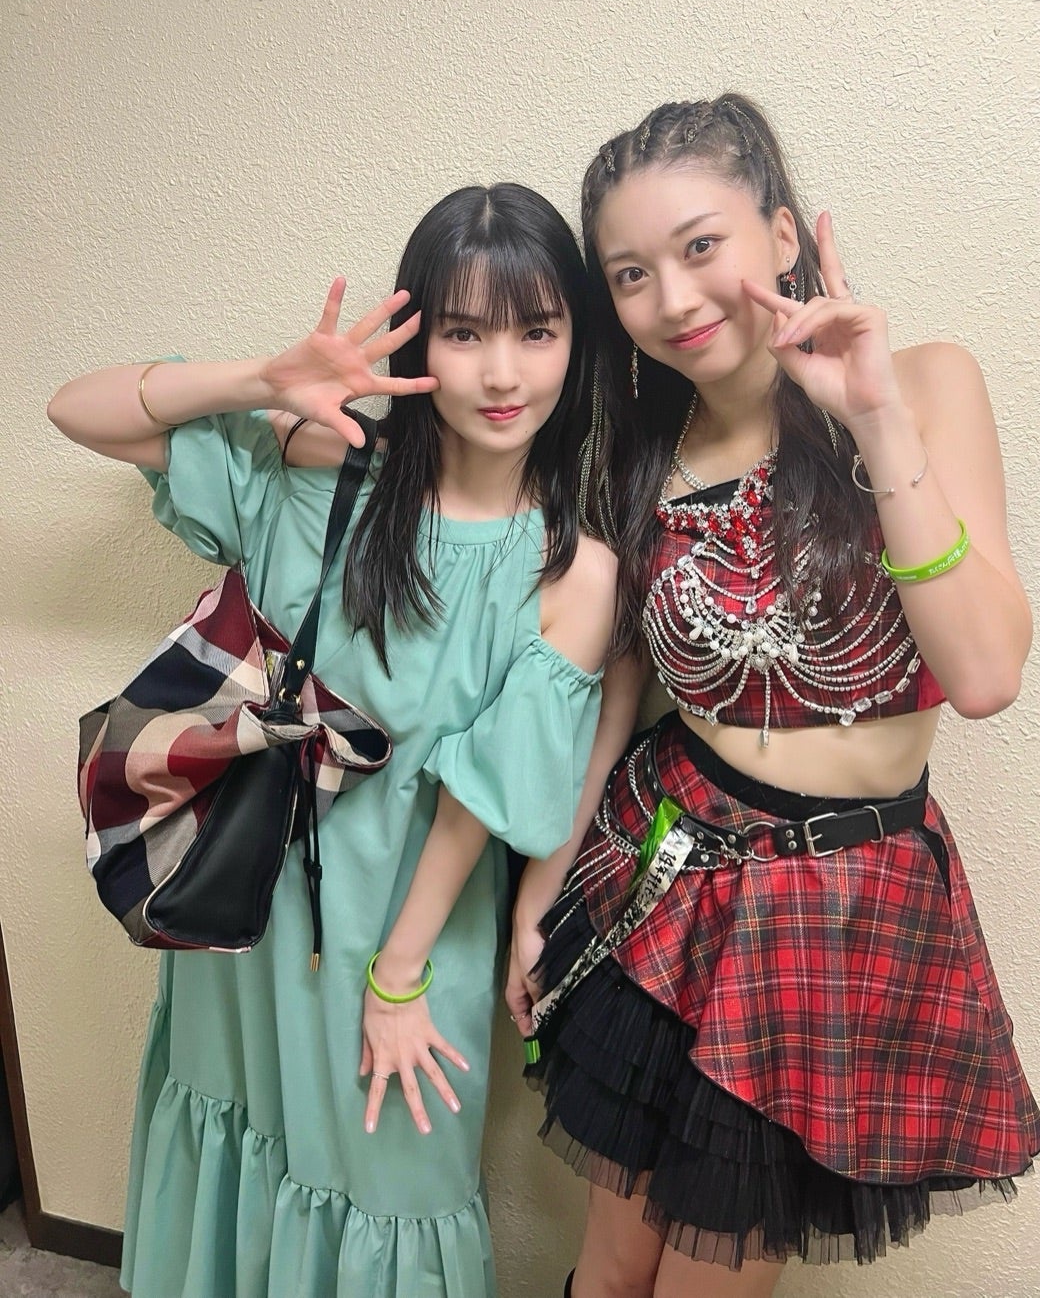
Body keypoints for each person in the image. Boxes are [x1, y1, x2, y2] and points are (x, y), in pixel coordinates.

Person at [507, 96, 1040, 1298]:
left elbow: (985, 674)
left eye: (701, 245)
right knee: (612, 1267)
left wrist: (875, 416)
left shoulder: (924, 382)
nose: (673, 298)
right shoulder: (639, 456)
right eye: (631, 274)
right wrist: (539, 893)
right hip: (667, 881)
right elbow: (617, 699)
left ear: (784, 234)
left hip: (837, 915)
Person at [47, 182, 618, 1298]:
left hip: (409, 931)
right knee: (243, 1138)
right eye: (466, 333)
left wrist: (399, 978)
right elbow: (80, 409)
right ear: (421, 341)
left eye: (537, 331)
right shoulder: (326, 471)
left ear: (575, 343)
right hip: (250, 895)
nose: (503, 373)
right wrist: (261, 381)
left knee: (394, 1191)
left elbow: (480, 797)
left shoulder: (571, 568)